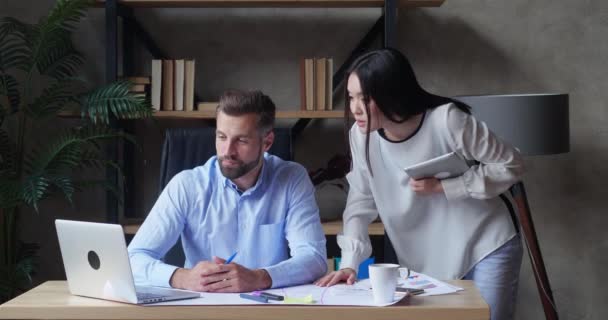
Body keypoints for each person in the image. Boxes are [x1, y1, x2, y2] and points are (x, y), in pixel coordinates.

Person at [314, 48, 524, 320]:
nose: (355, 108)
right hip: (428, 258)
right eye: (352, 97)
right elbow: (361, 199)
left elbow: (512, 163)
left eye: (364, 98)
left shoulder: (447, 120)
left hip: (485, 243)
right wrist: (351, 262)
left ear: (391, 93)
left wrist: (447, 187)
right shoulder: (360, 135)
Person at [129, 90, 327, 293]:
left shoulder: (292, 179)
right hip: (203, 309)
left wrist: (259, 277)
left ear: (267, 142)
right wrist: (182, 278)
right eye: (221, 137)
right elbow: (133, 258)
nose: (227, 151)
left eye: (241, 140)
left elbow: (314, 258)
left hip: (268, 308)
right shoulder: (186, 185)